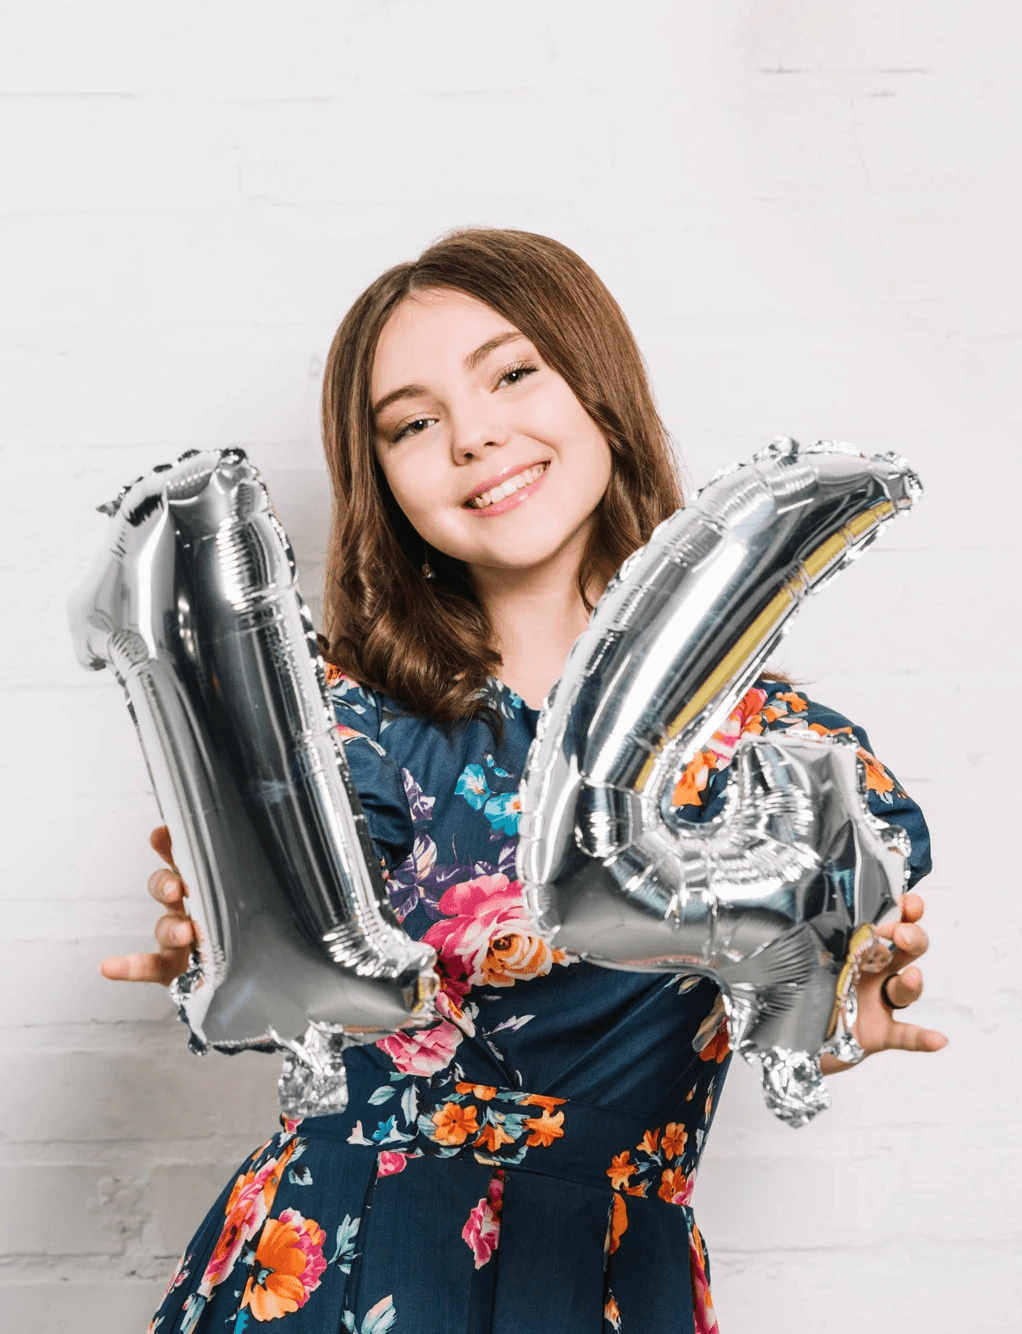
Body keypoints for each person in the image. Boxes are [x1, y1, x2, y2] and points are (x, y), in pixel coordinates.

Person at [102, 230, 946, 1334]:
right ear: (383, 480)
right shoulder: (339, 735)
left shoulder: (783, 752)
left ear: (599, 387)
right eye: (412, 423)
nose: (473, 435)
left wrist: (848, 999)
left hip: (605, 1278)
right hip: (337, 1259)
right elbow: (274, 955)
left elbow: (828, 986)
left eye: (509, 374)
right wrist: (221, 934)